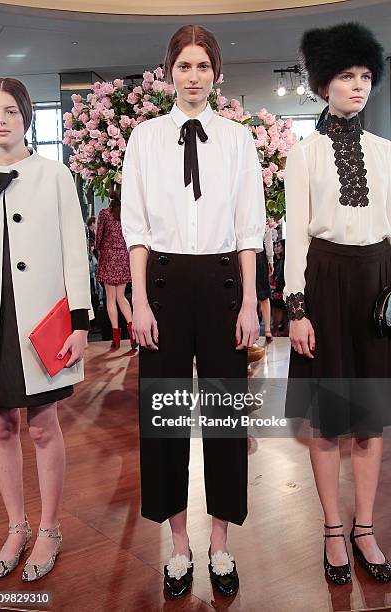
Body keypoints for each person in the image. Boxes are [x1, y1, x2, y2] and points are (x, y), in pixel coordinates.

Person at [121, 25, 265, 598]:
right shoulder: (144, 137)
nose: (194, 76)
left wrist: (251, 302)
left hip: (226, 280)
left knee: (227, 420)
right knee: (166, 418)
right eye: (184, 65)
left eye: (203, 66)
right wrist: (139, 301)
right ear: (168, 72)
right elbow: (135, 228)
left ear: (217, 74)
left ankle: (220, 544)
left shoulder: (238, 139)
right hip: (162, 281)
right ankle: (178, 545)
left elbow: (251, 230)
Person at [284, 23, 391, 585]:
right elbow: (296, 234)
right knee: (327, 421)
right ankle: (332, 527)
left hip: (376, 283)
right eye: (347, 76)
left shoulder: (386, 152)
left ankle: (365, 526)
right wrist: (297, 309)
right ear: (324, 82)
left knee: (370, 420)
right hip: (324, 284)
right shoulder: (302, 155)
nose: (358, 86)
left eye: (366, 76)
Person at [0, 78, 91, 581]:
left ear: (26, 116)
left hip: (40, 323)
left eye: (9, 110)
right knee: (0, 426)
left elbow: (75, 250)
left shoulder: (54, 175)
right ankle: (16, 525)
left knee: (43, 425)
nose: (0, 118)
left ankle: (49, 528)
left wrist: (80, 324)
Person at [96, 187, 136, 349]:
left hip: (108, 258)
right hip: (123, 258)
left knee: (110, 298)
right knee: (122, 297)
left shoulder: (105, 214)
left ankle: (116, 337)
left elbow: (99, 237)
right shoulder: (127, 214)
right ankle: (132, 333)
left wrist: (99, 248)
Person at [256, 223, 274, 343]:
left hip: (243, 253)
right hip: (260, 254)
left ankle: (253, 330)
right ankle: (267, 330)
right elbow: (268, 241)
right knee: (264, 296)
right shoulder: (265, 219)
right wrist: (270, 260)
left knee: (246, 295)